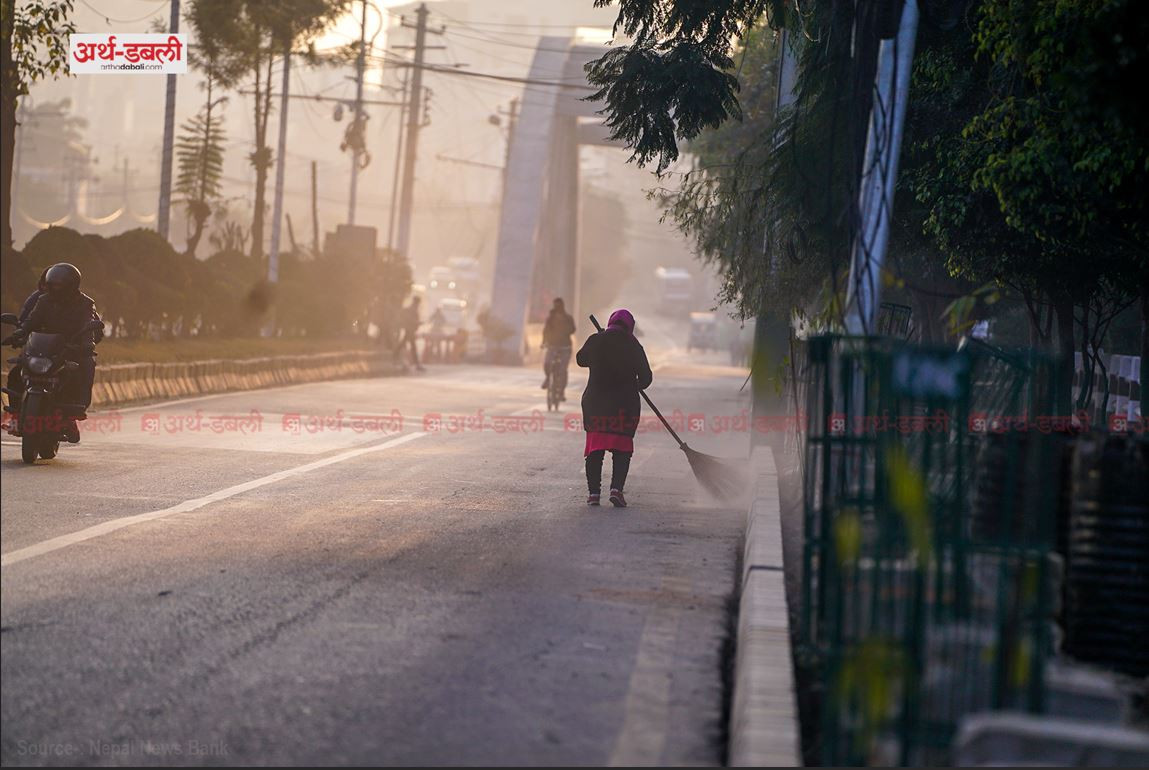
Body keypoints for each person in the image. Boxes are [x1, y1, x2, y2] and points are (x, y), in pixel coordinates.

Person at [3, 263, 103, 442]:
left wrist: (87, 343)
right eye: (52, 285)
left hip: (70, 349)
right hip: (42, 348)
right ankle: (16, 416)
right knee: (16, 372)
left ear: (71, 285)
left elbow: (89, 326)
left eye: (59, 285)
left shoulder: (85, 303)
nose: (55, 289)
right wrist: (18, 334)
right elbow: (31, 321)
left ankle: (72, 414)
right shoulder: (43, 300)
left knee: (86, 366)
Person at [576, 308, 653, 508]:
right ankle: (616, 490)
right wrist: (633, 384)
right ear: (630, 327)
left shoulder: (596, 340)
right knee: (622, 449)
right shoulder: (634, 346)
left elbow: (580, 359)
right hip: (624, 407)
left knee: (595, 449)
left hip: (596, 405)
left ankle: (594, 494)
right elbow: (646, 378)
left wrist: (598, 342)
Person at [541, 297, 576, 400]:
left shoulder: (568, 318)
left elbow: (573, 329)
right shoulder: (550, 318)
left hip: (565, 347)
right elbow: (545, 330)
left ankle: (561, 391)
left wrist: (565, 331)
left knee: (562, 369)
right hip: (552, 345)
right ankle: (548, 378)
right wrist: (544, 342)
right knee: (547, 363)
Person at [397, 296, 425, 372]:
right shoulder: (412, 310)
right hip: (410, 330)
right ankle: (417, 364)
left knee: (404, 344)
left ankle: (395, 356)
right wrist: (418, 323)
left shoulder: (411, 309)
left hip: (410, 330)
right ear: (416, 302)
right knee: (412, 347)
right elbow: (411, 320)